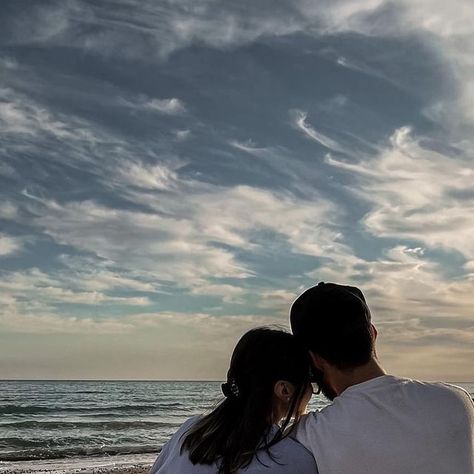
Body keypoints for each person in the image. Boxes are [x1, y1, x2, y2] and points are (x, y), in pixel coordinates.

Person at [290, 281, 474, 474]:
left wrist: (299, 404)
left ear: (315, 359)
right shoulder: (456, 401)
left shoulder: (309, 436)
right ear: (373, 333)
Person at [149, 327, 318, 474]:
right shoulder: (294, 459)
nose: (312, 390)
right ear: (284, 390)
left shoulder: (191, 432)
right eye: (310, 381)